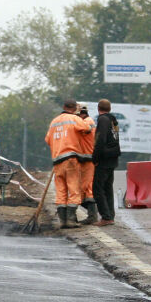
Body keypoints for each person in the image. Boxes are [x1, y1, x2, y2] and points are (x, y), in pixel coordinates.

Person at [45, 98, 92, 229]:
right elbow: (87, 128)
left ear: (64, 106)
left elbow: (48, 139)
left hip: (57, 161)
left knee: (61, 191)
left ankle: (63, 221)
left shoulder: (54, 121)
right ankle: (71, 220)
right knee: (74, 189)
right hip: (71, 159)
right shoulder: (74, 119)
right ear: (75, 108)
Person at [92, 99, 121, 226]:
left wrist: (95, 159)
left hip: (104, 159)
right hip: (113, 157)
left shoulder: (103, 120)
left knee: (97, 188)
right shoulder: (113, 120)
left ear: (99, 109)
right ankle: (110, 216)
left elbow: (100, 140)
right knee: (107, 188)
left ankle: (106, 216)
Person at [76, 103, 98, 225]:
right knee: (85, 186)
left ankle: (92, 215)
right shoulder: (88, 121)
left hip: (87, 158)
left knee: (87, 186)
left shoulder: (86, 123)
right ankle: (92, 214)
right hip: (86, 158)